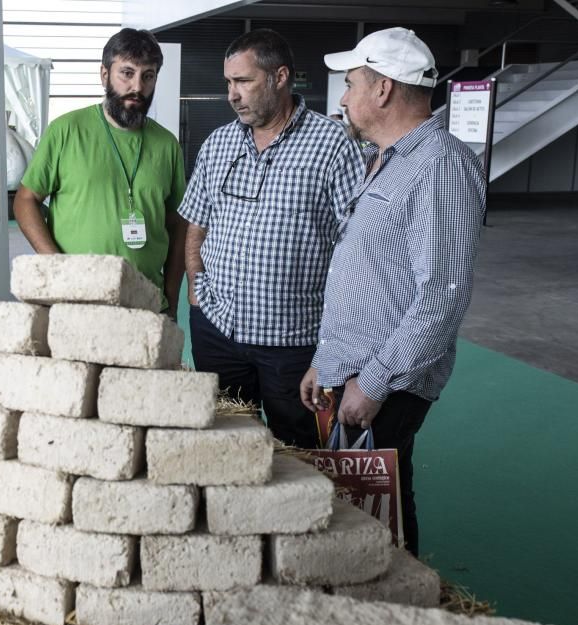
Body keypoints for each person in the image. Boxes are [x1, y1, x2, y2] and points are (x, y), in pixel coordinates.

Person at [301, 27, 487, 556]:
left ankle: (397, 608)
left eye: (351, 82)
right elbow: (370, 274)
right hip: (354, 369)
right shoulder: (389, 157)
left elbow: (442, 295)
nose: (343, 96)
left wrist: (375, 382)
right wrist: (327, 360)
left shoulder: (440, 165)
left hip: (386, 381)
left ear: (382, 89)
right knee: (358, 503)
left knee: (382, 512)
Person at [180, 29, 364, 447]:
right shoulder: (219, 144)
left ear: (280, 77)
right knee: (225, 446)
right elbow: (197, 222)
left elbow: (356, 248)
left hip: (294, 344)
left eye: (243, 81)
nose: (232, 94)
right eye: (228, 82)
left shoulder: (333, 146)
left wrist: (339, 340)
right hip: (218, 329)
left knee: (299, 455)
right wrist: (197, 292)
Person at [13, 29, 186, 317]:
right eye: (127, 73)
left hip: (146, 303)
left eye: (148, 76)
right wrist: (57, 266)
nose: (137, 87)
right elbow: (25, 200)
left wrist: (170, 297)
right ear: (104, 75)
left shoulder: (167, 145)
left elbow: (177, 225)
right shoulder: (66, 130)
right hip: (77, 300)